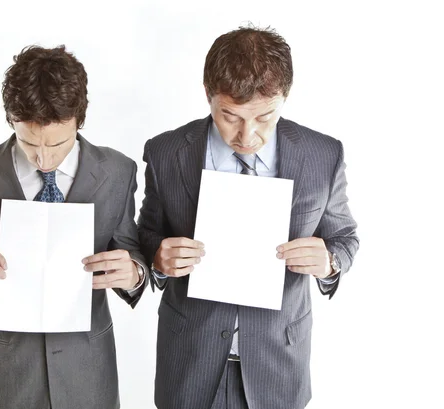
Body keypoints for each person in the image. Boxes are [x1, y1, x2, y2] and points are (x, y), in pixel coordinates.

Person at [137, 25, 359, 409]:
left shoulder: (324, 155)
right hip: (189, 362)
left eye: (264, 117)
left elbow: (344, 236)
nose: (247, 135)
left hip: (278, 365)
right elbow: (147, 236)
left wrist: (330, 261)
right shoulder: (164, 152)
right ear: (208, 96)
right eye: (231, 116)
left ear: (284, 98)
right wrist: (158, 259)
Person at [0, 45, 148, 409]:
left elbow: (131, 248)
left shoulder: (119, 172)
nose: (43, 159)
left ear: (79, 120)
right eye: (28, 142)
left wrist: (134, 272)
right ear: (11, 119)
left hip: (87, 373)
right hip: (3, 376)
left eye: (57, 144)